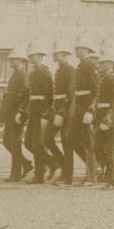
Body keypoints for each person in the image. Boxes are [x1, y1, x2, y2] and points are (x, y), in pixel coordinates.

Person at [92, 41, 114, 190]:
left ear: (111, 63)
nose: (101, 65)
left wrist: (108, 119)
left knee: (112, 150)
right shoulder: (103, 79)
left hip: (109, 119)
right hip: (100, 117)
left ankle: (113, 181)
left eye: (104, 63)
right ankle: (110, 173)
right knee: (97, 147)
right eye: (101, 63)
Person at [71, 37, 100, 186]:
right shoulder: (81, 65)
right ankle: (97, 167)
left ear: (86, 50)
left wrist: (91, 108)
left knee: (89, 143)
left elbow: (97, 89)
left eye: (79, 49)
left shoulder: (89, 65)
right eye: (77, 49)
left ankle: (91, 176)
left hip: (87, 107)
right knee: (74, 139)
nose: (77, 51)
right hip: (79, 107)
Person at [25, 40, 53, 185]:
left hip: (41, 111)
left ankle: (40, 175)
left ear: (40, 56)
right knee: (28, 143)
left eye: (33, 56)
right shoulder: (33, 72)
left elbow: (49, 95)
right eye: (29, 56)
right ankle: (52, 163)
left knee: (37, 144)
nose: (30, 58)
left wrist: (46, 114)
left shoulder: (44, 72)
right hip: (33, 111)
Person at [1, 48, 30, 183]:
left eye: (14, 59)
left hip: (17, 114)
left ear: (21, 61)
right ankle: (26, 164)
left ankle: (16, 174)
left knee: (15, 143)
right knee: (7, 141)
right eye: (11, 59)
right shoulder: (15, 74)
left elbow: (24, 96)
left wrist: (20, 112)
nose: (11, 61)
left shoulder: (23, 75)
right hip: (10, 114)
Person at [47, 41, 74, 183]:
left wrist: (62, 112)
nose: (54, 55)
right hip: (57, 110)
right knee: (47, 139)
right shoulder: (60, 69)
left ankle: (67, 177)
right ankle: (61, 164)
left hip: (65, 112)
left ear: (64, 55)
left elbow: (70, 94)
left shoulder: (69, 69)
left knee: (67, 144)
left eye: (57, 53)